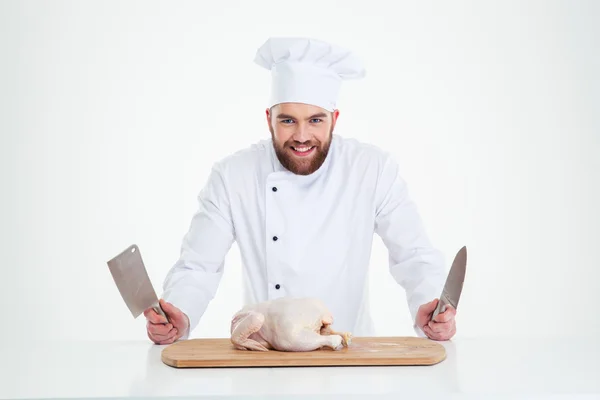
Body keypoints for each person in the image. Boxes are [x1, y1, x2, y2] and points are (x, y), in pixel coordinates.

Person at [144, 37, 457, 345]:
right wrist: (179, 314)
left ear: (334, 120)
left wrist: (430, 307)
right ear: (269, 120)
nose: (302, 136)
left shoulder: (372, 169)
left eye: (315, 120)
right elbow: (199, 265)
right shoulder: (233, 176)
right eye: (288, 120)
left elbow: (414, 255)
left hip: (351, 355)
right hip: (266, 355)